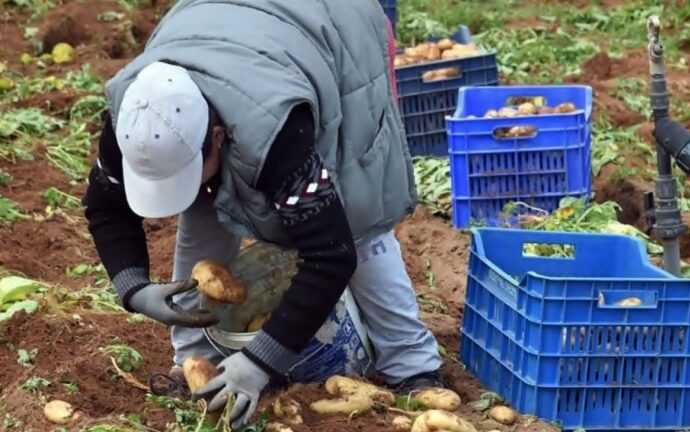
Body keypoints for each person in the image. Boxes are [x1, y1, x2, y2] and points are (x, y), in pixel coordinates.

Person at [81, 0, 442, 428]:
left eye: (190, 170)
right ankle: (195, 360)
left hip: (333, 24)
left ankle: (412, 363)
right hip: (230, 28)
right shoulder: (135, 117)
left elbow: (331, 254)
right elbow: (105, 207)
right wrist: (134, 288)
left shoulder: (279, 130)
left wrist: (259, 362)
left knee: (359, 215)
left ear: (217, 136)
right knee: (204, 208)